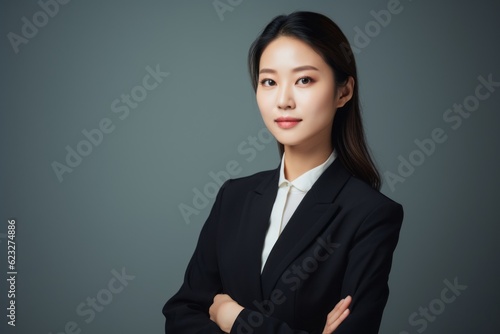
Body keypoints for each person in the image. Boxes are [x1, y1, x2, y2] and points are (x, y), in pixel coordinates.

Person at [163, 11, 403, 333]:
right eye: (269, 81)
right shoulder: (233, 197)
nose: (283, 100)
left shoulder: (370, 215)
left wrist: (233, 317)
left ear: (343, 92)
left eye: (304, 80)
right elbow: (181, 316)